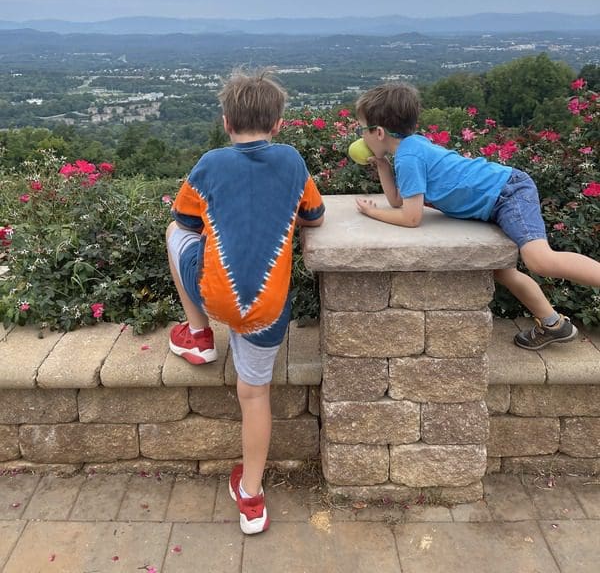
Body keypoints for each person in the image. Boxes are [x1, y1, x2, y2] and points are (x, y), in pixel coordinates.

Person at [166, 70, 325, 534]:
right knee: (254, 395)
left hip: (215, 295)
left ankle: (198, 334)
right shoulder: (292, 162)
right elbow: (314, 216)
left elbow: (184, 219)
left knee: (173, 236)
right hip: (266, 310)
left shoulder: (211, 163)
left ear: (226, 122)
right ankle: (251, 498)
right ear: (278, 124)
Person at [353, 83, 600, 350]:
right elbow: (399, 201)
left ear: (378, 132)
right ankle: (554, 324)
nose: (361, 137)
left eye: (361, 130)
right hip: (492, 202)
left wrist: (372, 212)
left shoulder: (409, 156)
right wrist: (382, 165)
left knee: (540, 260)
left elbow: (412, 218)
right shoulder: (411, 149)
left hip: (507, 192)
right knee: (501, 270)